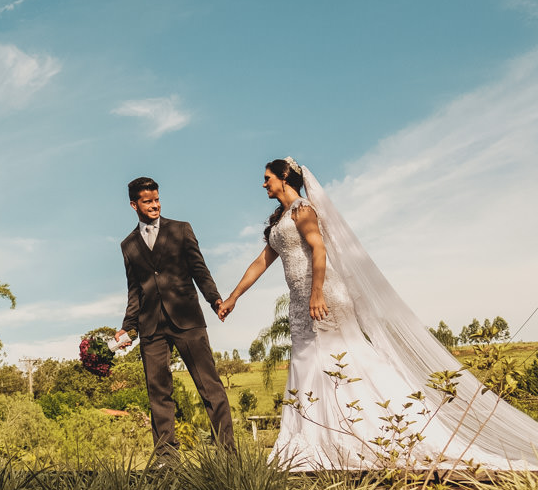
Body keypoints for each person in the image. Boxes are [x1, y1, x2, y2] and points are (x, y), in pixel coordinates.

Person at [217, 158, 538, 470]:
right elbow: (261, 262)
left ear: (284, 176)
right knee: (307, 363)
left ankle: (383, 431)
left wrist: (316, 293)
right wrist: (233, 297)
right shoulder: (280, 220)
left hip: (323, 295)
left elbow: (319, 248)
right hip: (300, 303)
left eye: (267, 178)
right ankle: (317, 440)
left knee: (342, 359)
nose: (264, 184)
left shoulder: (303, 211)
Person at [117, 176, 235, 459]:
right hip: (150, 327)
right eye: (147, 201)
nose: (155, 205)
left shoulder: (181, 230)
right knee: (158, 394)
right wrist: (127, 328)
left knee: (209, 387)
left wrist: (214, 299)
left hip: (187, 319)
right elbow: (134, 290)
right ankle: (166, 461)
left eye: (157, 199)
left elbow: (199, 269)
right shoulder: (128, 245)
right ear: (134, 204)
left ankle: (229, 457)